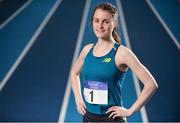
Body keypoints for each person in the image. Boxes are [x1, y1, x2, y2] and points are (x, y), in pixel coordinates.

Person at [70, 2, 158, 122]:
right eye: (96, 20)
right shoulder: (87, 50)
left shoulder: (122, 53)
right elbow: (74, 73)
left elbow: (151, 84)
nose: (100, 26)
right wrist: (78, 99)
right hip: (88, 117)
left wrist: (130, 111)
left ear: (114, 23)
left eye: (105, 21)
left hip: (111, 119)